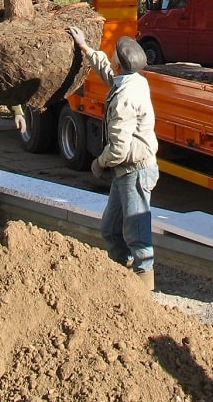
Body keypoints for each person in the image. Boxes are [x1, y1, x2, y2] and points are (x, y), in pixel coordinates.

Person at [67, 26, 159, 290]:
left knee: (136, 232)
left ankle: (143, 288)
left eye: (113, 58)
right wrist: (85, 48)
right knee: (110, 229)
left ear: (120, 65)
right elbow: (108, 73)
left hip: (135, 171)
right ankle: (122, 278)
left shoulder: (124, 99)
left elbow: (118, 149)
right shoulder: (134, 80)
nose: (110, 60)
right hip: (126, 171)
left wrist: (98, 163)